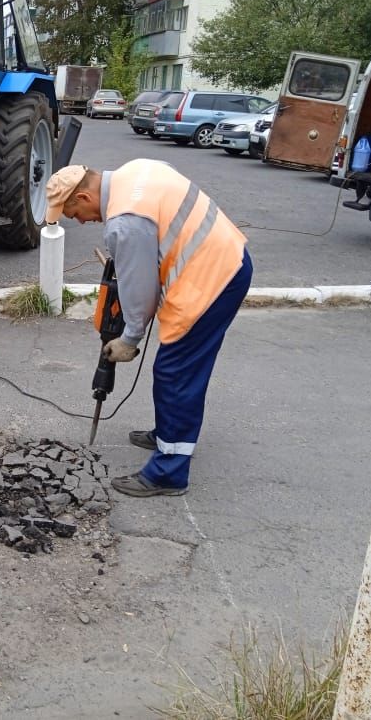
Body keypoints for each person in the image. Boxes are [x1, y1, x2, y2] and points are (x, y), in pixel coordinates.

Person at [45, 160, 252, 497]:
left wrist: (129, 339)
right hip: (227, 258)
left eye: (74, 214)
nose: (82, 221)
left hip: (210, 277)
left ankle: (169, 471)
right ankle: (169, 433)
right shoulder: (135, 171)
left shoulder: (125, 223)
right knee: (180, 366)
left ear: (83, 196)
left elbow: (139, 291)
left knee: (176, 371)